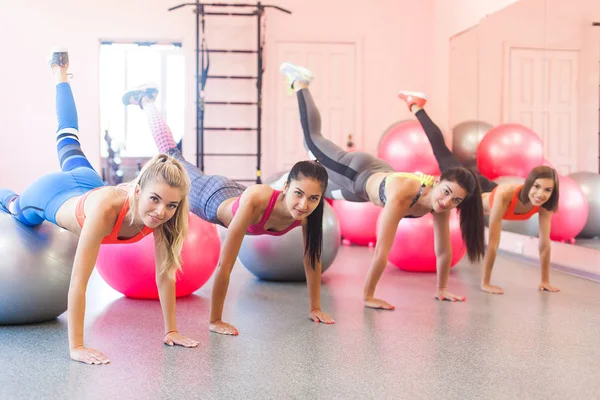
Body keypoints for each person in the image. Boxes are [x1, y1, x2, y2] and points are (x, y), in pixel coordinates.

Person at [0, 50, 198, 365]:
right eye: (155, 199)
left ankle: (59, 73)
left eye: (171, 205)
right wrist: (77, 346)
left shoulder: (161, 218)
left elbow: (165, 276)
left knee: (69, 138)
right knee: (15, 209)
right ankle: (6, 194)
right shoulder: (107, 210)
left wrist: (171, 330)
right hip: (51, 194)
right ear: (137, 189)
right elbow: (79, 281)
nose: (161, 211)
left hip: (87, 180)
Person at [122, 86, 334, 336]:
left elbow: (312, 260)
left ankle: (146, 101)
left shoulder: (309, 214)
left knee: (175, 155)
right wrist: (216, 320)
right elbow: (225, 264)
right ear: (286, 186)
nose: (303, 205)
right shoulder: (259, 199)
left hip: (234, 192)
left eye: (313, 198)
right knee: (171, 155)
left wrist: (315, 307)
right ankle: (146, 101)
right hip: (209, 197)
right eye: (298, 194)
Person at [279, 62, 486, 310]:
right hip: (359, 172)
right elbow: (381, 251)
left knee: (322, 191)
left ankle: (313, 166)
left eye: (456, 201)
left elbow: (442, 251)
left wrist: (442, 289)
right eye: (447, 193)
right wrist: (368, 296)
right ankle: (301, 82)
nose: (447, 203)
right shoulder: (403, 195)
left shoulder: (438, 205)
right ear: (439, 181)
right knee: (313, 139)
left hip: (365, 191)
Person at [398, 90, 560, 294]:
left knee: (443, 153)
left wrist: (544, 280)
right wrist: (486, 283)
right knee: (440, 150)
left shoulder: (543, 204)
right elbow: (493, 242)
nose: (540, 194)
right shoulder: (505, 195)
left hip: (485, 188)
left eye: (547, 190)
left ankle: (417, 106)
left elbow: (545, 245)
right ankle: (417, 106)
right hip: (474, 189)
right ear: (528, 184)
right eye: (536, 187)